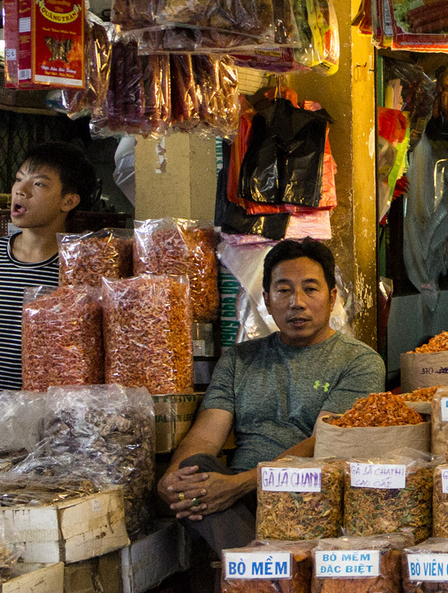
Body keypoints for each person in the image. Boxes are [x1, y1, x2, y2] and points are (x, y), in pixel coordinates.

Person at [157, 237, 384, 552]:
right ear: (266, 298)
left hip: (309, 496)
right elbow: (205, 437)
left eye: (310, 288)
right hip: (236, 499)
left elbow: (325, 443)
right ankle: (262, 567)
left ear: (332, 298)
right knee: (192, 467)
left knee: (212, 509)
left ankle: (252, 567)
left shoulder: (359, 362)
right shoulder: (240, 359)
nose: (297, 302)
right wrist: (171, 479)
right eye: (284, 290)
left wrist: (241, 484)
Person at [0, 142, 95, 397]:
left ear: (69, 201)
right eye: (19, 179)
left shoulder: (81, 265)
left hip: (56, 415)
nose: (21, 190)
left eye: (39, 184)